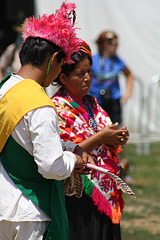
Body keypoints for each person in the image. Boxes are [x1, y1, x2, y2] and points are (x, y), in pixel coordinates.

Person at [0, 2, 95, 240]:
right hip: (30, 211)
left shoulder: (4, 88)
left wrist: (69, 147)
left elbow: (21, 140)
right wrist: (73, 160)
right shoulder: (39, 103)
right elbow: (51, 166)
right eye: (62, 64)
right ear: (53, 59)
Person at [51, 40, 130, 240]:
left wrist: (117, 138)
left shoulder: (92, 103)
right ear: (63, 77)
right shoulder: (57, 108)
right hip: (79, 191)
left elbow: (104, 133)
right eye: (80, 74)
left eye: (89, 72)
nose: (87, 78)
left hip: (106, 189)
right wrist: (102, 137)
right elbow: (65, 152)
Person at [90, 31, 133, 176]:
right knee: (98, 133)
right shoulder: (93, 60)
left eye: (116, 43)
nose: (116, 47)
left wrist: (127, 94)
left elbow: (129, 74)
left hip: (114, 102)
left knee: (118, 134)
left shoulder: (118, 61)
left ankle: (122, 168)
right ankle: (99, 165)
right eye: (113, 43)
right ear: (103, 44)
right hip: (97, 102)